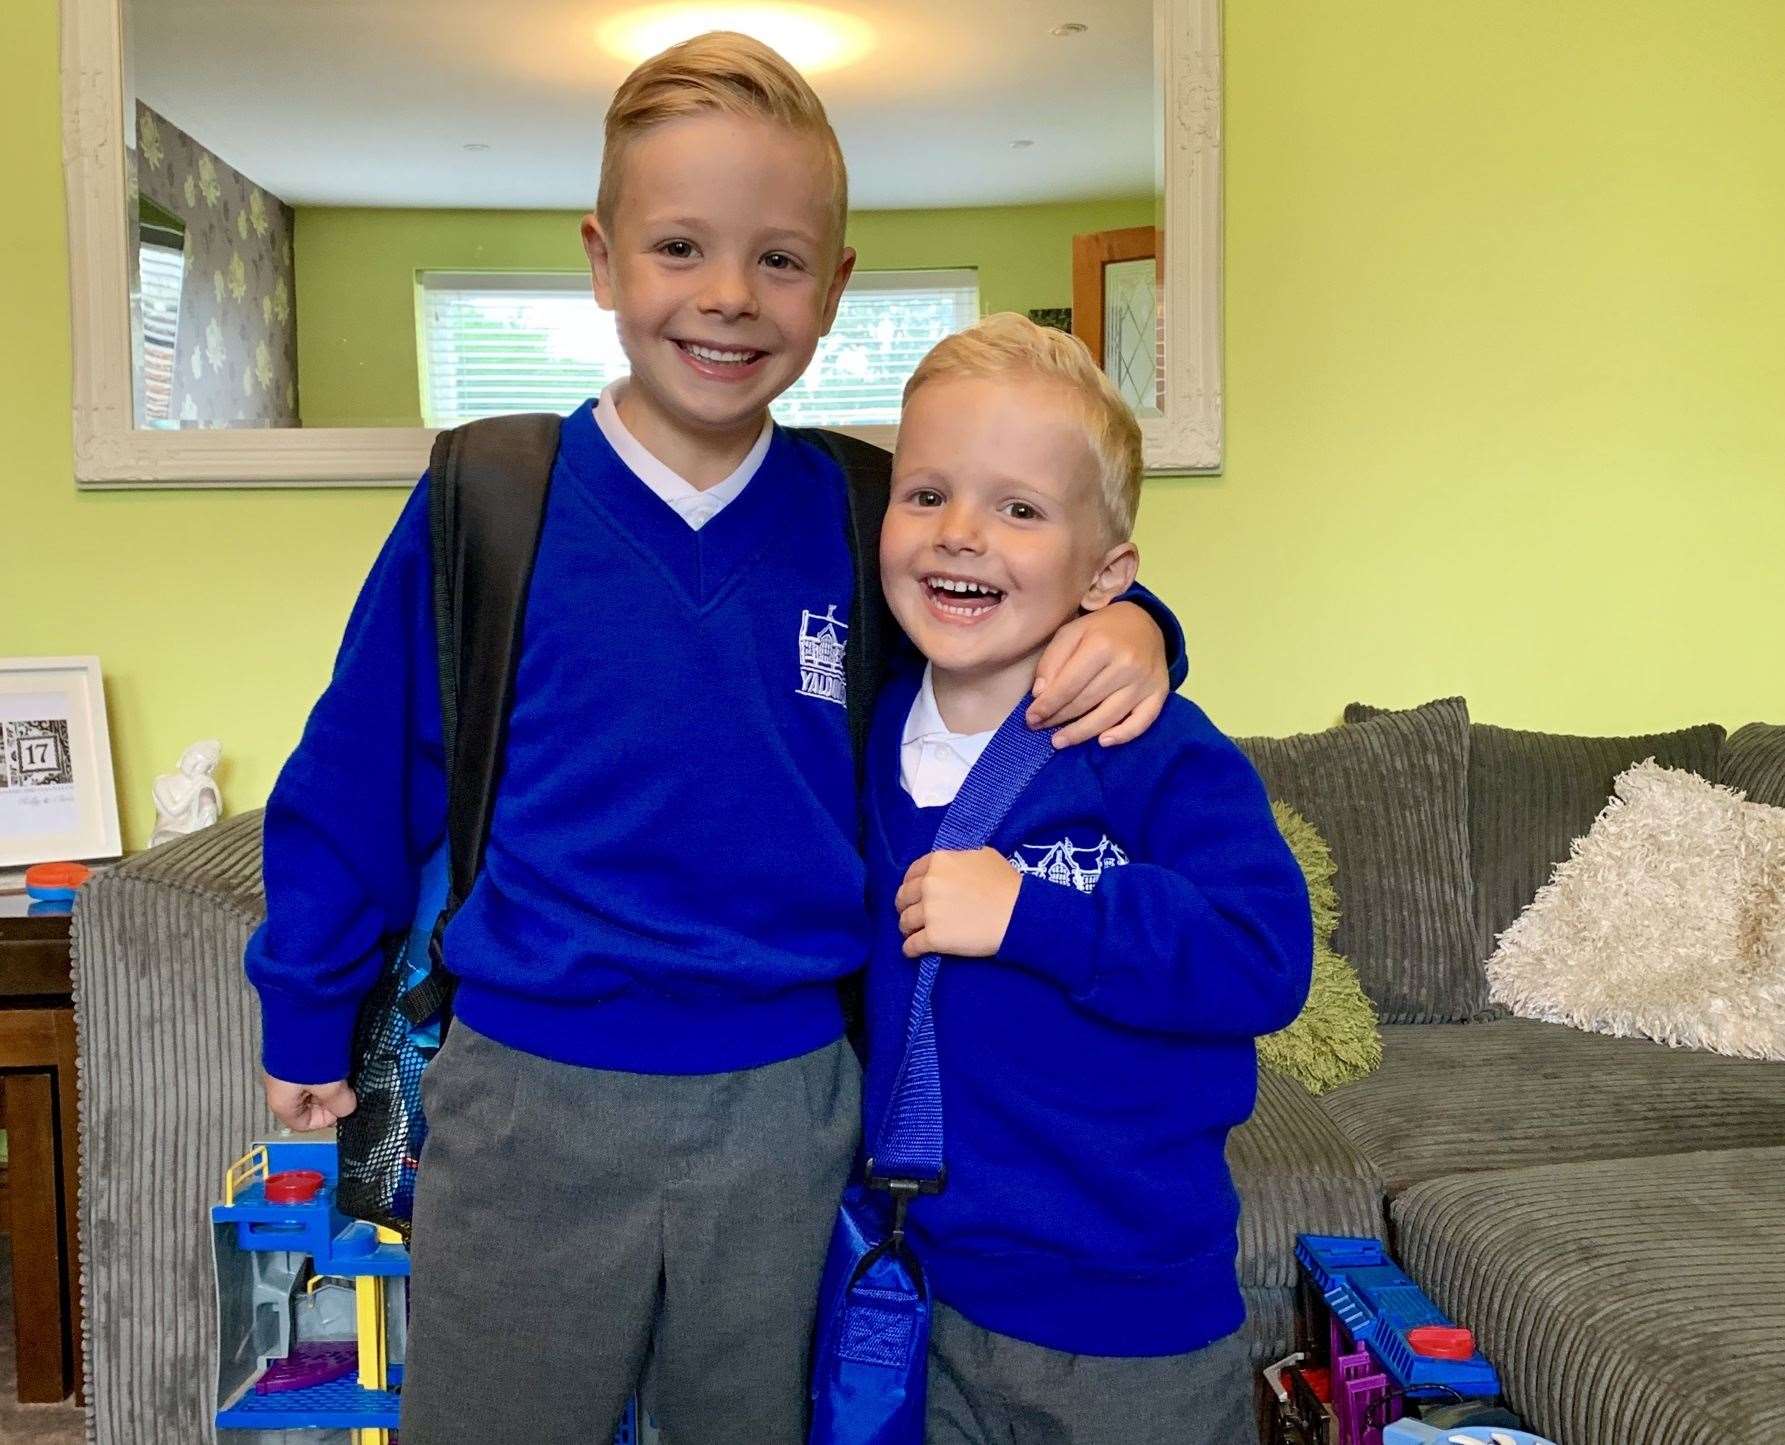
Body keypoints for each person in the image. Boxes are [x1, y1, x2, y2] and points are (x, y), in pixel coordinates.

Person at [244, 36, 1183, 1444]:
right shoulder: (489, 501)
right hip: (525, 1105)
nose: (729, 296)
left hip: (790, 1111)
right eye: (680, 245)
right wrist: (304, 1002)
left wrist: (1148, 624)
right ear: (604, 257)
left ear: (838, 287)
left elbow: (1029, 594)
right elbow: (354, 778)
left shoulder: (870, 513)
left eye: (781, 260)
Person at [862, 312, 1313, 1444]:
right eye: (926, 494)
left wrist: (1034, 915)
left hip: (1135, 1324)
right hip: (923, 1296)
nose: (961, 533)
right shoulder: (861, 733)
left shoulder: (1154, 744)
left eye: (1020, 508)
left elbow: (1264, 958)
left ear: (1106, 573)